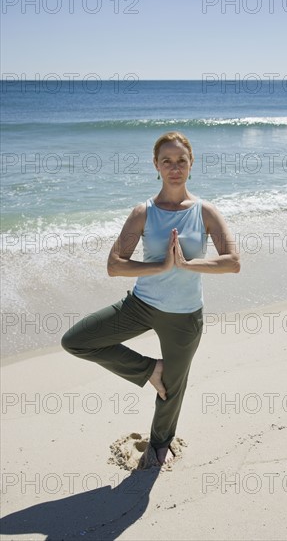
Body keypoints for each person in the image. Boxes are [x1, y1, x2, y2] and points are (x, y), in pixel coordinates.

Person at [61, 131, 240, 466]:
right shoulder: (143, 212)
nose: (175, 167)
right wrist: (161, 265)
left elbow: (233, 261)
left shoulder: (205, 212)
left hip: (185, 315)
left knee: (173, 390)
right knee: (77, 340)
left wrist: (187, 264)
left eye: (181, 160)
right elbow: (115, 266)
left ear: (191, 164)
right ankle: (150, 369)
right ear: (156, 166)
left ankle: (160, 444)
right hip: (141, 306)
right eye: (167, 161)